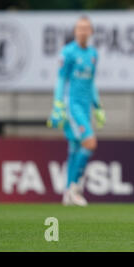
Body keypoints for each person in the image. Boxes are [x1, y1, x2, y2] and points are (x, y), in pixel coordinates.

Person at [47, 16, 106, 206]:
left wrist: (97, 106)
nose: (82, 31)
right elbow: (60, 80)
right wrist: (58, 105)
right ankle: (74, 188)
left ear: (91, 32)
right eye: (79, 28)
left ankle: (67, 193)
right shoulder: (68, 52)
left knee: (74, 148)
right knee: (89, 143)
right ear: (75, 31)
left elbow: (91, 83)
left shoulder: (93, 54)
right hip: (72, 106)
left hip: (86, 105)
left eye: (86, 28)